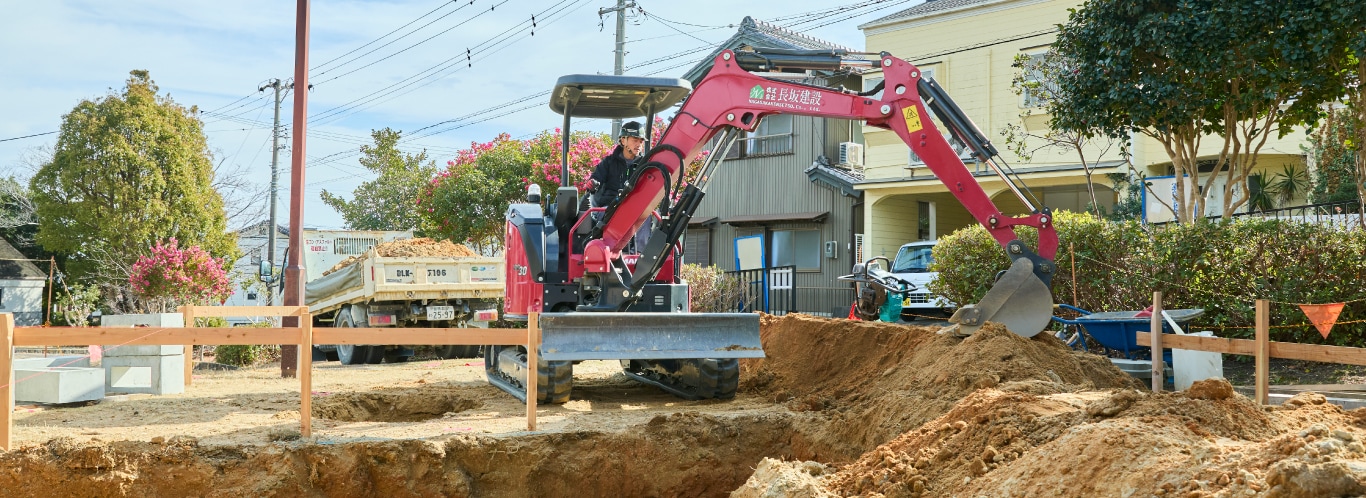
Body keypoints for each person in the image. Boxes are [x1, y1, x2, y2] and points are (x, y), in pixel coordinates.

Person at [588, 120, 646, 209]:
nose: (638, 145)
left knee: (648, 218)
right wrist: (593, 183)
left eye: (641, 141)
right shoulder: (609, 162)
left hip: (635, 209)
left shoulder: (644, 165)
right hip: (609, 207)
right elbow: (596, 178)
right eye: (635, 140)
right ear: (623, 141)